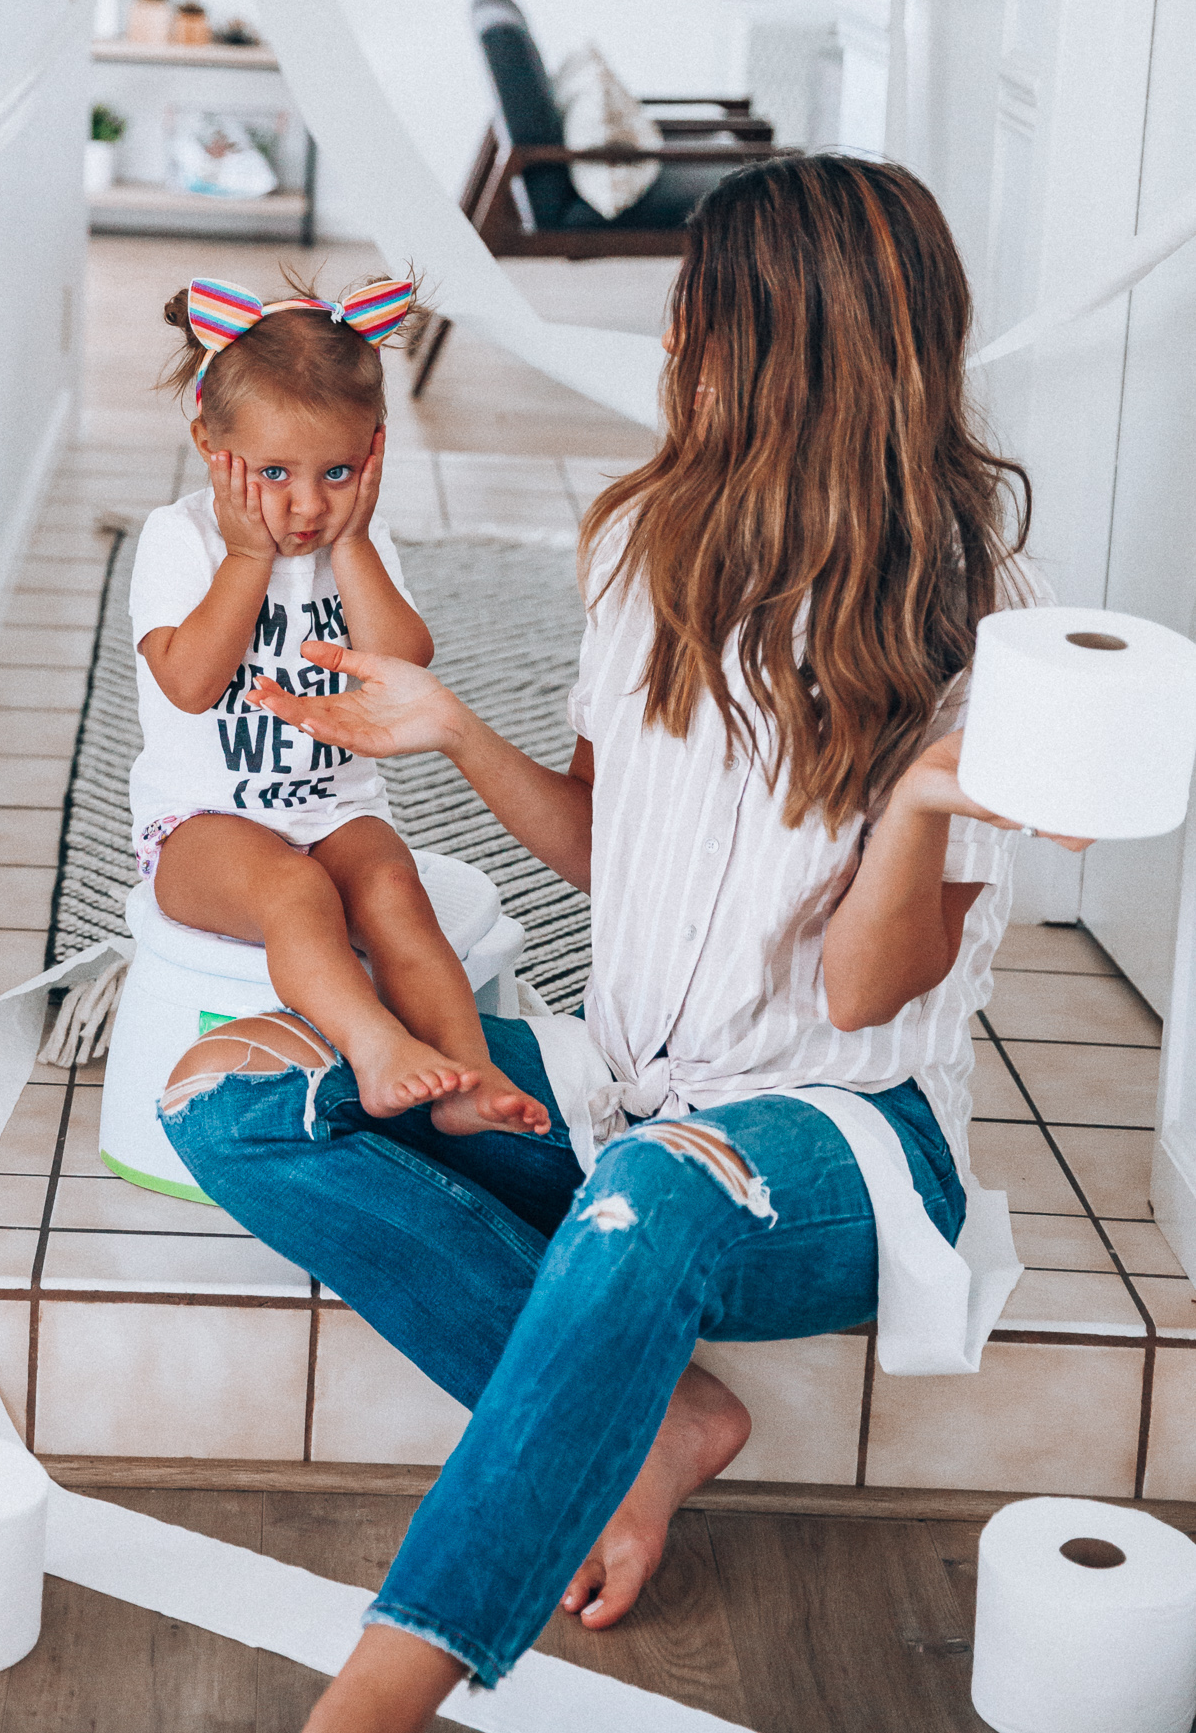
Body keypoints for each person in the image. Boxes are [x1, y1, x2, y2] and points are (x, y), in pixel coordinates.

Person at [160, 158, 1082, 1733]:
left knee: (658, 1190)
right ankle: (652, 1427)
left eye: (695, 319)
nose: (670, 349)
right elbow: (608, 855)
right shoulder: (645, 544)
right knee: (225, 1090)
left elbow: (866, 990)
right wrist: (447, 729)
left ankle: (370, 1706)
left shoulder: (982, 618)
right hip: (632, 1092)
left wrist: (924, 795)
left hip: (843, 1148)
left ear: (789, 350)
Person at [132, 272, 548, 1136]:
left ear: (375, 453)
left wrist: (357, 542)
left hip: (335, 809)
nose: (309, 504)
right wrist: (247, 559)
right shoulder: (183, 540)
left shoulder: (355, 541)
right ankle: (374, 1046)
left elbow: (403, 667)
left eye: (339, 472)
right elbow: (189, 682)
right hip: (201, 827)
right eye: (275, 472)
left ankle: (466, 1074)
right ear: (210, 441)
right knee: (295, 893)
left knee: (395, 883)